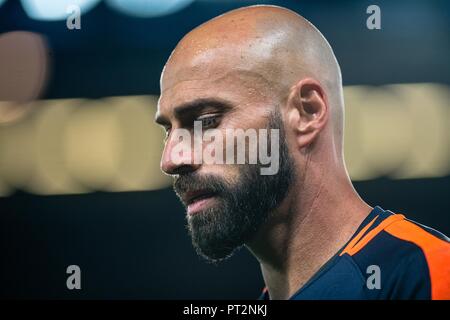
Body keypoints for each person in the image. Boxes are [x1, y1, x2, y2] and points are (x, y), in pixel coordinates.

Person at [155, 5, 450, 299]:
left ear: (307, 112)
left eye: (205, 122)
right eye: (169, 130)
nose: (170, 160)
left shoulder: (428, 274)